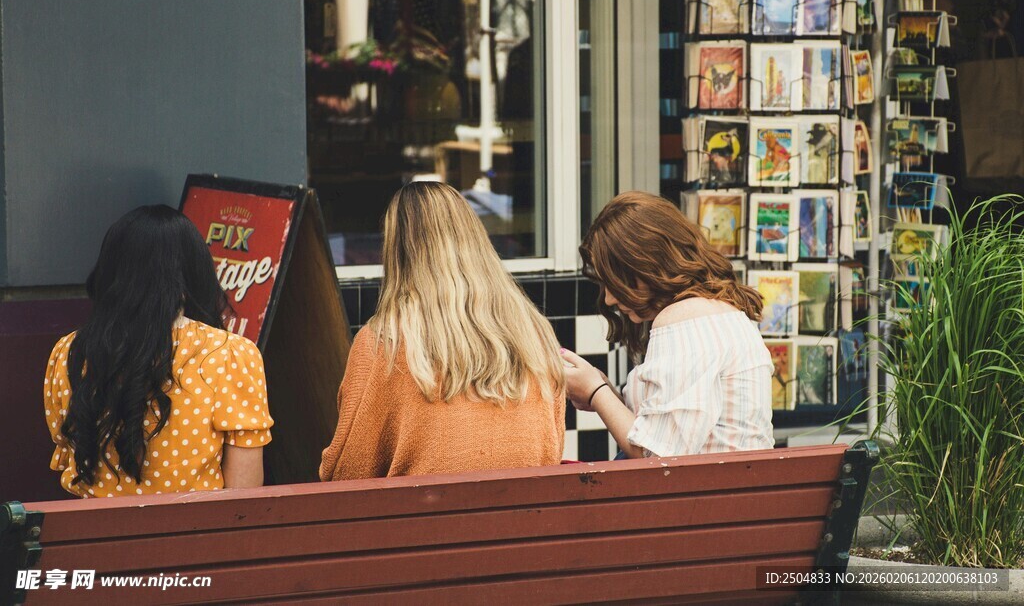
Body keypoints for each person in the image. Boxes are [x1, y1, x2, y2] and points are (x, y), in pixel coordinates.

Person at [319, 182, 565, 480]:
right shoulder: (535, 335)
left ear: (396, 253)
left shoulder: (383, 343)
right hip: (529, 522)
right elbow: (551, 451)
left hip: (421, 524)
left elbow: (349, 474)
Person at [44, 206, 272, 498]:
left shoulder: (68, 353)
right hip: (198, 540)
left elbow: (68, 455)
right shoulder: (230, 355)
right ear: (193, 272)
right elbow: (245, 494)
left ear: (111, 272)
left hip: (96, 541)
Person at [561, 192, 774, 458]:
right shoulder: (717, 311)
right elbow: (675, 430)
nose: (609, 298)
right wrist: (607, 395)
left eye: (615, 282)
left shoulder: (685, 318)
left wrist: (595, 392)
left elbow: (657, 458)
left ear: (648, 265)